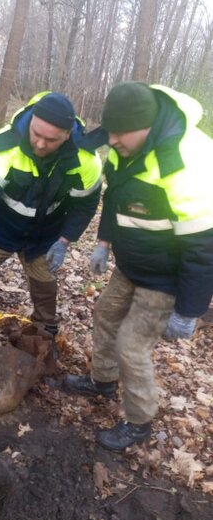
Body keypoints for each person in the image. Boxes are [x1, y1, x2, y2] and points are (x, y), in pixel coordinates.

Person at [63, 82, 213, 451]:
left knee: (132, 344)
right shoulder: (124, 147)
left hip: (166, 277)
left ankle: (139, 421)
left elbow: (203, 245)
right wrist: (103, 243)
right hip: (131, 264)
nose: (112, 141)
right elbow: (115, 198)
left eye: (119, 133)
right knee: (105, 314)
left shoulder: (184, 162)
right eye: (109, 131)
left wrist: (190, 310)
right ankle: (102, 381)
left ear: (145, 126)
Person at [0, 91, 102, 339]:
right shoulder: (4, 144)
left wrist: (65, 240)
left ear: (67, 134)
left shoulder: (86, 160)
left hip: (45, 233)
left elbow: (86, 204)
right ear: (31, 122)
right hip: (1, 226)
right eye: (36, 134)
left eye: (51, 140)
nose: (40, 144)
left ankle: (44, 332)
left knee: (45, 285)